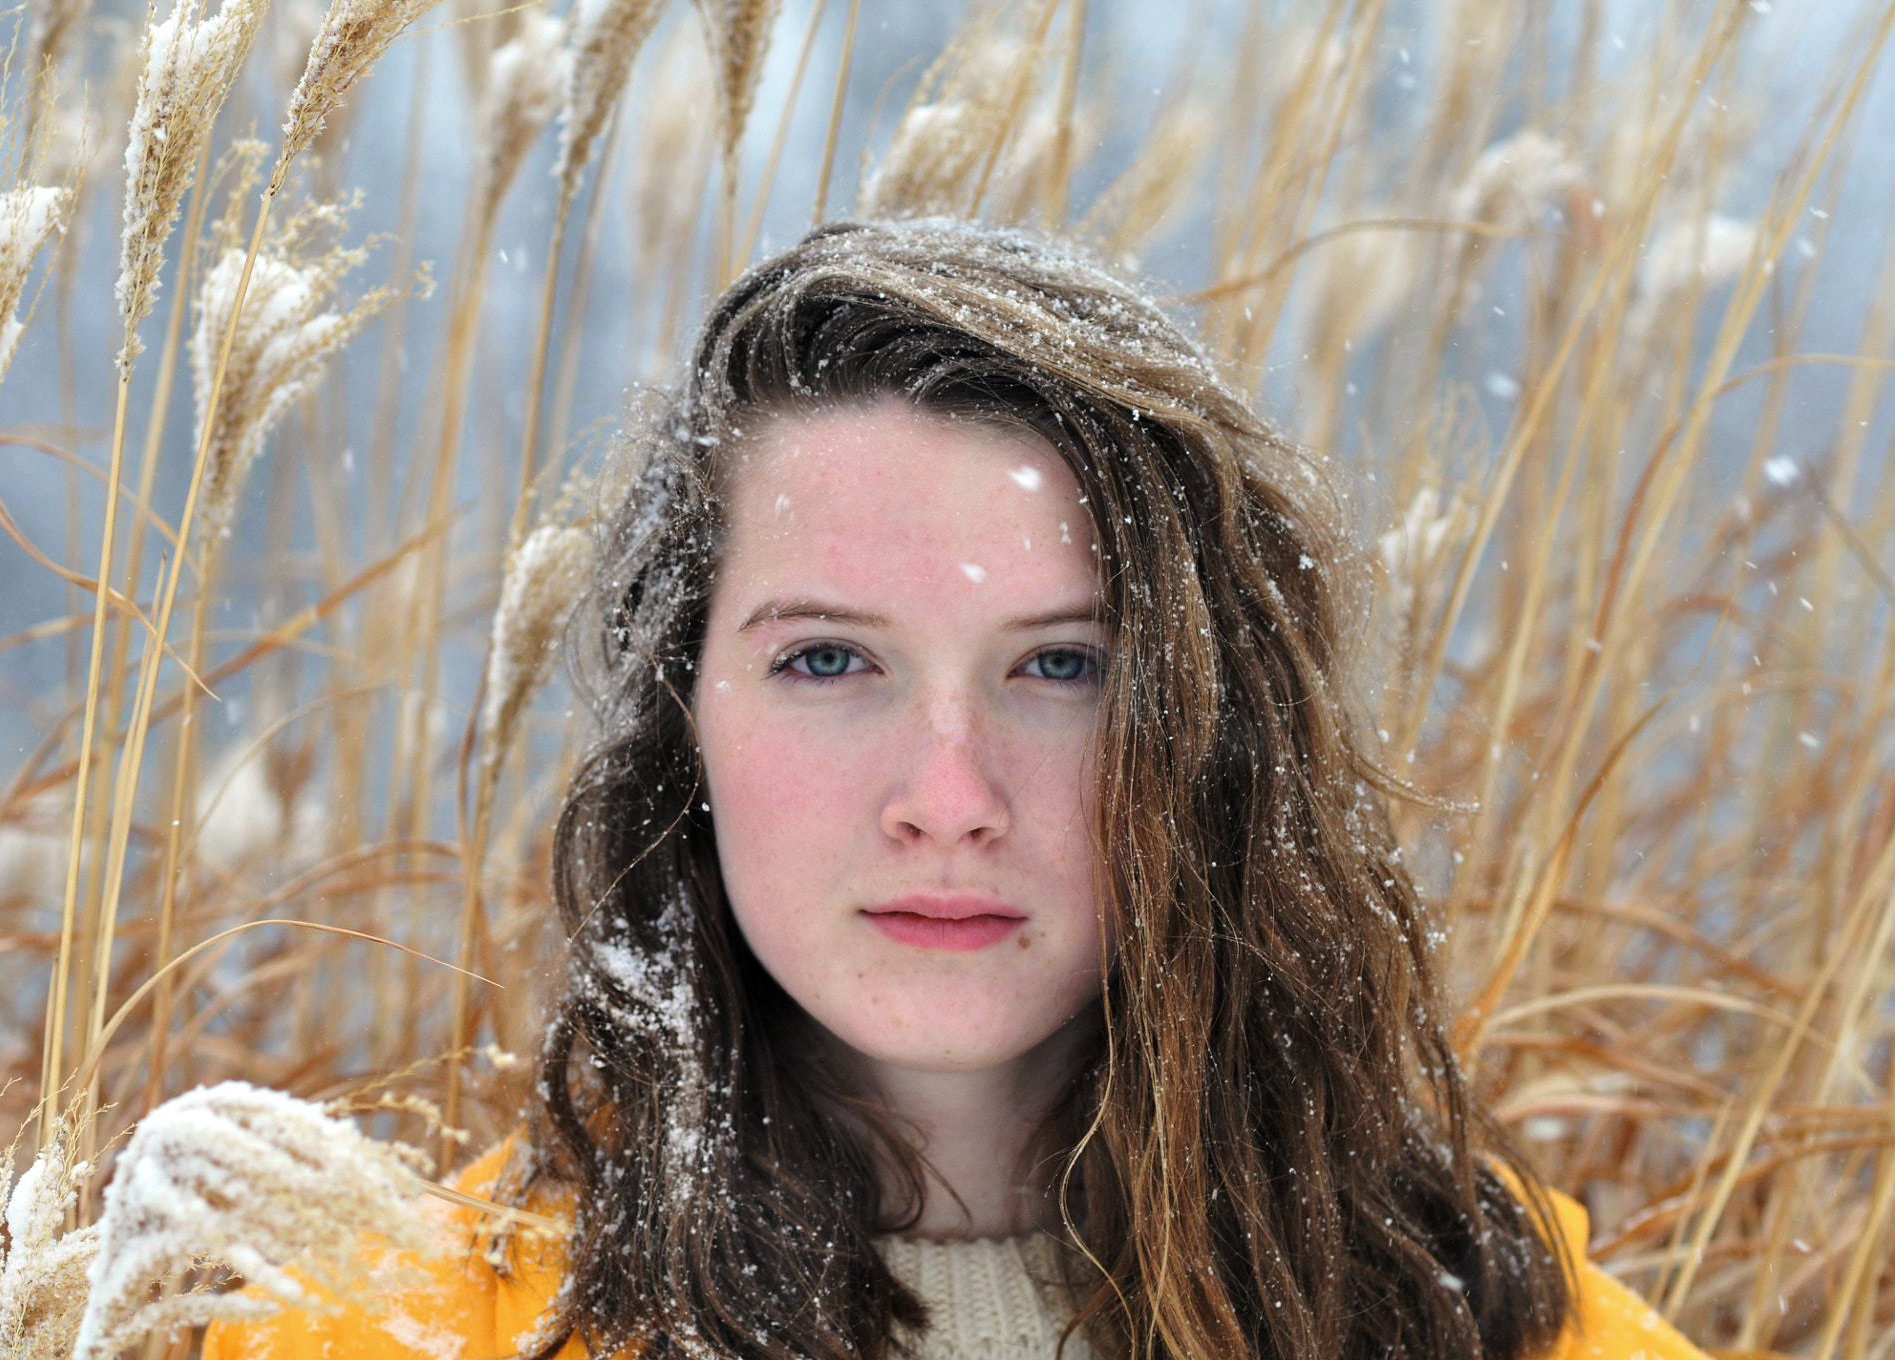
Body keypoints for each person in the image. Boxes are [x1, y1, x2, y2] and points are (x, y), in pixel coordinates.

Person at [205, 220, 1712, 1360]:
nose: (949, 795)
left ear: (1219, 735)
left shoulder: (1508, 1327)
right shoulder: (387, 1326)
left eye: (1060, 669)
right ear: (687, 723)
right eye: (828, 663)